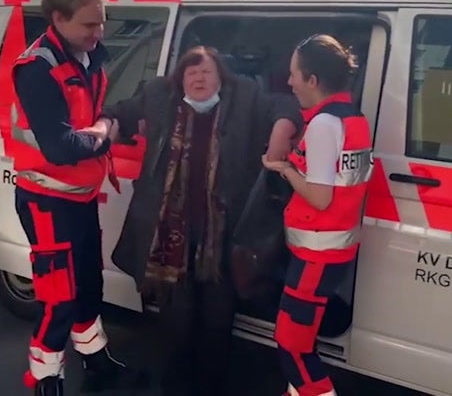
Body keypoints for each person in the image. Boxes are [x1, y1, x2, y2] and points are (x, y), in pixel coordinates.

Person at [93, 45, 303, 395]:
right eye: (191, 73)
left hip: (222, 239)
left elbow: (287, 106)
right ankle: (176, 387)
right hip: (171, 238)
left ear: (222, 77)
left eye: (206, 72)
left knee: (217, 325)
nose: (199, 79)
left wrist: (281, 130)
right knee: (176, 323)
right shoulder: (160, 96)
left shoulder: (246, 98)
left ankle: (209, 387)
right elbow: (118, 112)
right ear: (181, 79)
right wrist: (102, 127)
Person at [10, 0, 144, 394]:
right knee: (59, 297)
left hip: (79, 196)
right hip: (47, 200)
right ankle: (45, 378)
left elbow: (94, 115)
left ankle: (95, 359)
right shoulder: (37, 67)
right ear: (58, 18)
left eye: (101, 21)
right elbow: (60, 147)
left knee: (88, 287)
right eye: (89, 24)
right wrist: (106, 134)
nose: (99, 32)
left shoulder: (87, 56)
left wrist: (104, 124)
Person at [262, 34, 373, 396]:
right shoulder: (353, 118)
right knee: (301, 338)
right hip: (331, 250)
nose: (289, 81)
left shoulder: (325, 125)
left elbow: (321, 197)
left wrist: (284, 169)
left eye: (294, 74)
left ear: (312, 80)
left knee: (292, 345)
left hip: (316, 254)